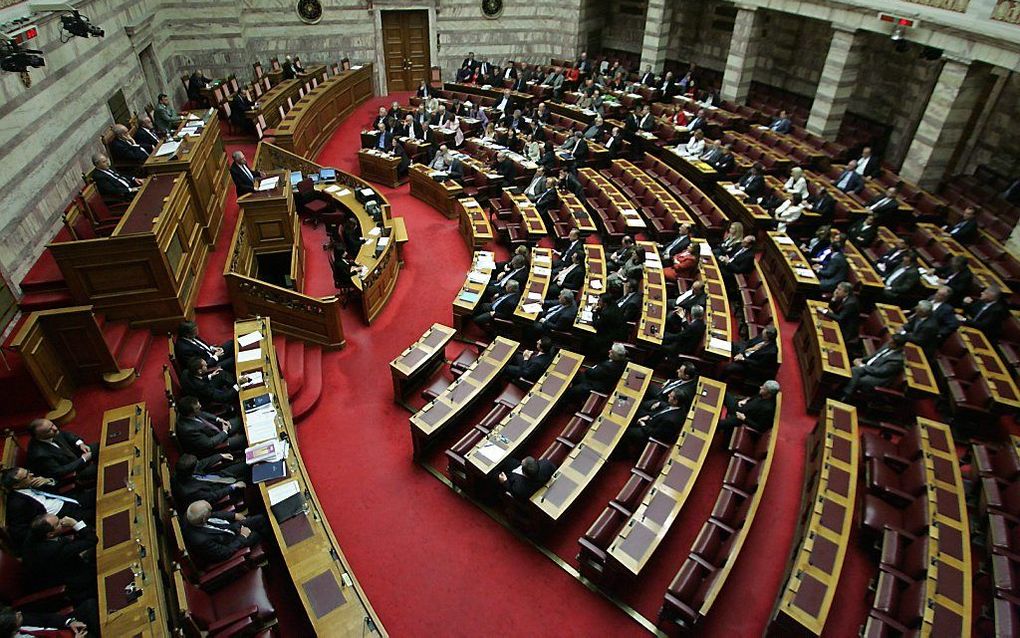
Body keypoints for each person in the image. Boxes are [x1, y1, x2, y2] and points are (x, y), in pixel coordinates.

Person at [20, 514, 99, 621]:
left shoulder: (34, 533)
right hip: (65, 582)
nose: (63, 521)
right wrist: (75, 524)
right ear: (50, 534)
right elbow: (92, 539)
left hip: (54, 567)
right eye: (58, 523)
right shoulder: (53, 550)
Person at [1, 467, 93, 545]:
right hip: (62, 516)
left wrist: (48, 481)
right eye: (27, 476)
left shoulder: (31, 482)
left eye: (28, 472)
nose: (32, 474)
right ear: (16, 486)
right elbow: (19, 534)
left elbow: (57, 485)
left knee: (96, 494)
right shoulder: (16, 504)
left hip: (67, 500)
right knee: (95, 513)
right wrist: (52, 525)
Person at [182, 500, 270, 566]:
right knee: (258, 534)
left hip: (229, 528)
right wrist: (243, 536)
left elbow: (214, 514)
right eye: (209, 512)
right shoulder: (202, 541)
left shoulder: (190, 515)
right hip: (232, 542)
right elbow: (225, 552)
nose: (211, 512)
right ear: (204, 519)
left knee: (260, 519)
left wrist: (233, 515)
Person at [26, 419, 98, 486]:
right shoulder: (40, 455)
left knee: (98, 446)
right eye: (49, 430)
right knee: (97, 468)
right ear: (39, 436)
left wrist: (80, 444)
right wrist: (83, 460)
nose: (55, 428)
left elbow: (67, 435)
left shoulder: (52, 431)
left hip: (76, 455)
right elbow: (59, 471)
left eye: (52, 425)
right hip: (72, 472)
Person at [840, 334, 907, 401]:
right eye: (890, 340)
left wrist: (862, 365)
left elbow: (881, 372)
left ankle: (845, 395)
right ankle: (846, 394)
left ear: (899, 347)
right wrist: (862, 360)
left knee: (858, 379)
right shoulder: (888, 344)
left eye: (892, 343)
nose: (889, 343)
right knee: (854, 370)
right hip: (871, 367)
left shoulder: (897, 359)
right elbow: (874, 355)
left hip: (878, 377)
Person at [175, 396, 246, 456]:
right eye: (197, 408)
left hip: (216, 430)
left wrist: (218, 419)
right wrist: (224, 432)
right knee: (244, 438)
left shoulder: (187, 413)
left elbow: (202, 414)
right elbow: (209, 444)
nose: (200, 407)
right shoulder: (189, 430)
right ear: (191, 413)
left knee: (241, 420)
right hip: (216, 444)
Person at [171, 454, 246, 508]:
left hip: (218, 476)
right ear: (191, 470)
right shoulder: (191, 492)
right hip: (218, 489)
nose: (198, 463)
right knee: (246, 480)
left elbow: (202, 463)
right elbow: (212, 496)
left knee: (245, 465)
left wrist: (220, 456)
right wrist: (233, 486)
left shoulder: (182, 471)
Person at [0, 604, 90, 637]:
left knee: (89, 606)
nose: (19, 613)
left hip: (64, 629)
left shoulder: (23, 619)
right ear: (12, 628)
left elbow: (46, 619)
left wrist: (70, 622)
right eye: (16, 616)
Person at [819, 282, 861, 347]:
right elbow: (832, 309)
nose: (836, 291)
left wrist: (824, 311)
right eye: (837, 288)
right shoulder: (844, 297)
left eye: (839, 289)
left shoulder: (850, 304)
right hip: (842, 323)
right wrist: (834, 298)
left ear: (846, 293)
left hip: (846, 331)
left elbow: (840, 318)